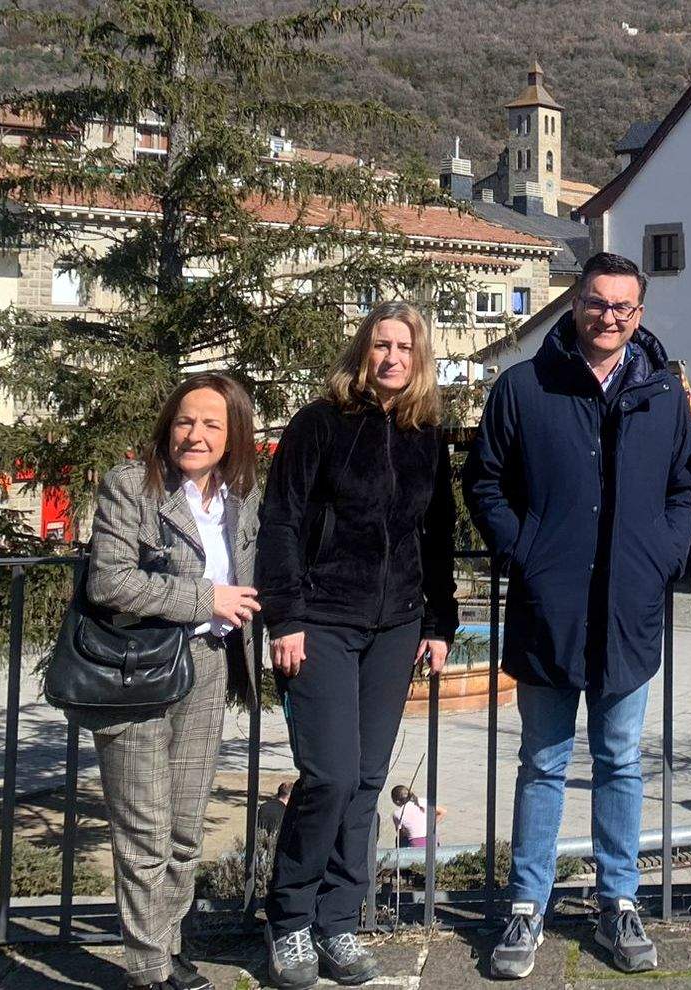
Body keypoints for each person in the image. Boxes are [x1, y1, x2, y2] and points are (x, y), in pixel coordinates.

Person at [464, 252, 691, 979]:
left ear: (640, 312)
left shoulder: (663, 391)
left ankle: (618, 899)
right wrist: (525, 549)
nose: (610, 318)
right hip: (549, 604)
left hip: (629, 607)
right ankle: (527, 906)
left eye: (624, 308)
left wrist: (662, 553)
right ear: (575, 304)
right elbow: (484, 481)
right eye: (598, 304)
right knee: (541, 761)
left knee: (621, 760)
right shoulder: (524, 386)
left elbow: (685, 488)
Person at [257, 301, 458, 990]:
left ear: (419, 358)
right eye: (380, 345)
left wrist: (439, 623)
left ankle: (339, 923)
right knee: (331, 775)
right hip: (323, 623)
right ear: (362, 353)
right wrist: (284, 617)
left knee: (369, 781)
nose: (392, 357)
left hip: (395, 626)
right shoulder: (320, 424)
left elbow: (436, 540)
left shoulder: (428, 434)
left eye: (404, 346)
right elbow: (280, 519)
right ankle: (288, 922)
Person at [83, 372, 262, 990]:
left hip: (206, 669)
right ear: (168, 426)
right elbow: (110, 582)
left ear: (233, 434)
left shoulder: (239, 500)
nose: (196, 434)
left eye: (213, 424)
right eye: (186, 420)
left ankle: (168, 945)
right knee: (144, 833)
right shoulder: (132, 487)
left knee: (185, 830)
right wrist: (203, 597)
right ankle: (147, 968)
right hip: (135, 672)